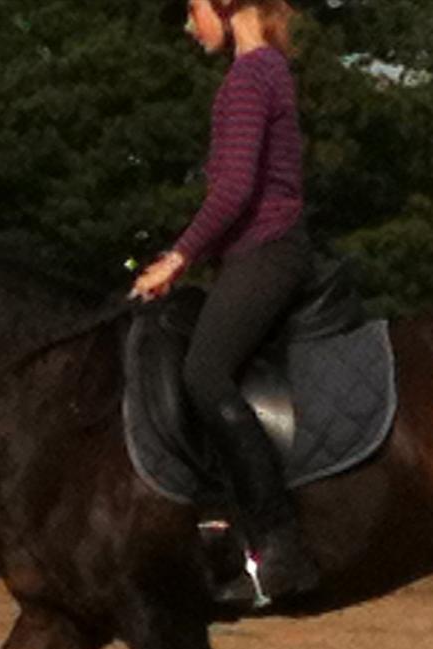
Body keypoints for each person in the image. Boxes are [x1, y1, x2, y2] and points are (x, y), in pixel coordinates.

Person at [132, 0, 318, 605]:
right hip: (258, 252)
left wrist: (178, 257)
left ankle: (280, 542)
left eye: (194, 9)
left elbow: (235, 189)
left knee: (204, 371)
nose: (190, 27)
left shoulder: (248, 76)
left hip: (266, 251)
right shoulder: (267, 70)